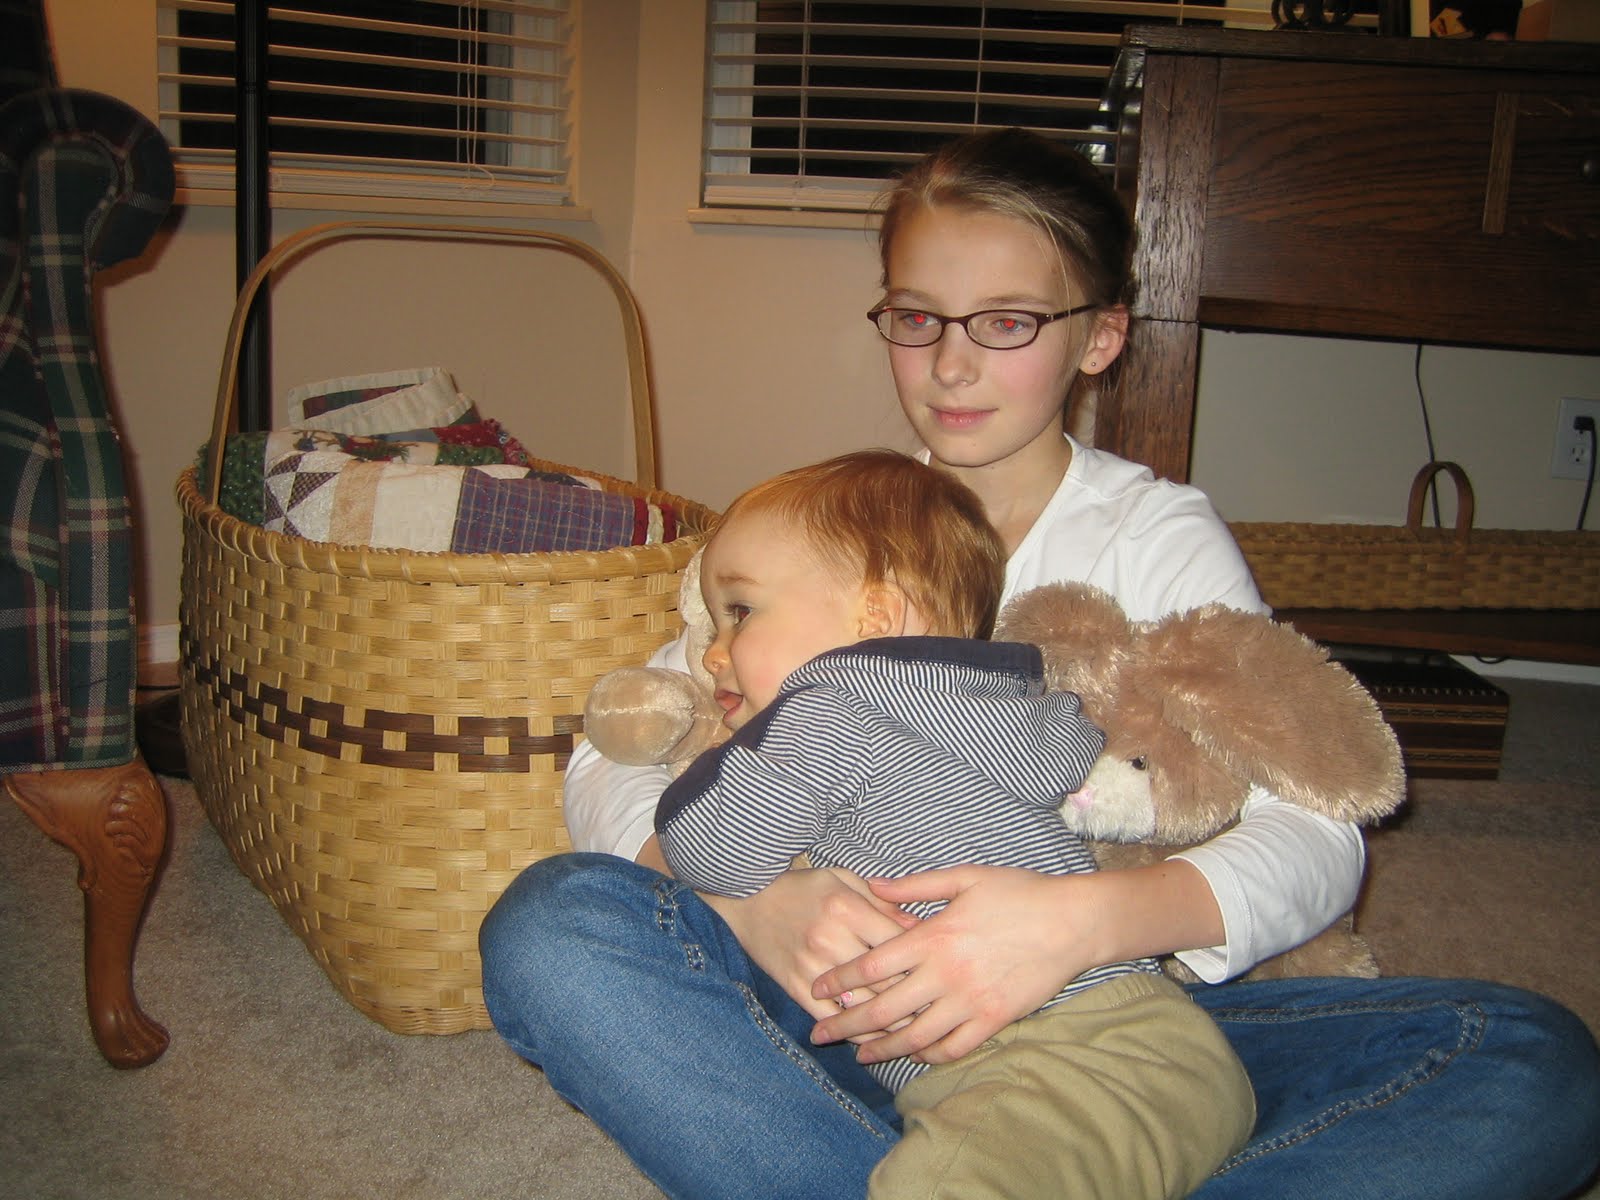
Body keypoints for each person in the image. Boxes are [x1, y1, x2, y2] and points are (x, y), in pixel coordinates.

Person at [479, 128, 1600, 1200]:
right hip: (834, 1011)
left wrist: (1070, 928)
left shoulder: (1157, 537)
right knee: (551, 925)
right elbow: (620, 754)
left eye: (1007, 321)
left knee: (1525, 1061)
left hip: (1105, 1025)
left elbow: (1316, 833)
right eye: (916, 317)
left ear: (1100, 338)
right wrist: (754, 900)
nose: (951, 364)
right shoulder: (831, 524)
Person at [653, 449, 1254, 1198]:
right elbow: (1070, 756)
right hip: (1147, 1029)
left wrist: (707, 774)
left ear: (875, 617)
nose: (712, 654)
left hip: (1036, 1054)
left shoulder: (827, 706)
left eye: (740, 612)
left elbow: (711, 851)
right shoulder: (1009, 702)